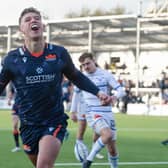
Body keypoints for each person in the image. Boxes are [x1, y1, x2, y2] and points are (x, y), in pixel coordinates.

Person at [0, 7, 112, 168]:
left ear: (43, 25)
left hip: (54, 120)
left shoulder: (58, 53)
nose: (33, 20)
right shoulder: (12, 59)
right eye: (28, 19)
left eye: (37, 18)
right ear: (21, 29)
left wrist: (98, 92)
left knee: (43, 166)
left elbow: (76, 76)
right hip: (28, 125)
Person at [78, 53, 126, 168]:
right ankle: (89, 160)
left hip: (108, 113)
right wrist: (75, 111)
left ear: (94, 60)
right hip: (92, 112)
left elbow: (121, 91)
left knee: (112, 150)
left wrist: (113, 98)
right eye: (83, 65)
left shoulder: (105, 74)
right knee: (107, 134)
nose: (86, 67)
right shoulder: (81, 77)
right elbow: (76, 95)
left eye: (88, 63)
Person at [70, 86, 104, 159]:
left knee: (98, 128)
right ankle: (79, 151)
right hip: (83, 105)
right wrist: (73, 111)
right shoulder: (80, 78)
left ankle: (95, 150)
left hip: (95, 106)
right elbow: (76, 95)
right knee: (81, 128)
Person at [7, 83, 21, 152]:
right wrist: (9, 99)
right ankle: (17, 146)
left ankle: (30, 144)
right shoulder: (13, 83)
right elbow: (11, 92)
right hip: (16, 105)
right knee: (15, 125)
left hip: (26, 105)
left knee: (28, 125)